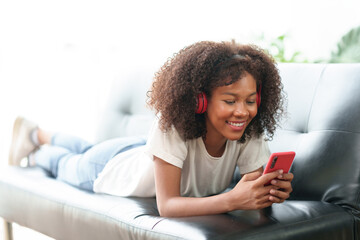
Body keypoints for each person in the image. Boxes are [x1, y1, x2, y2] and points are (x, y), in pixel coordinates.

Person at [8, 40, 293, 217]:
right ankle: (36, 145)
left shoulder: (248, 129)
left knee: (86, 148)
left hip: (144, 155)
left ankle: (36, 132)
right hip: (112, 168)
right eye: (230, 100)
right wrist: (232, 200)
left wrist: (267, 191)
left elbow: (250, 189)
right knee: (68, 162)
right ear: (200, 100)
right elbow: (167, 206)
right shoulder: (174, 124)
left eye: (251, 101)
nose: (242, 111)